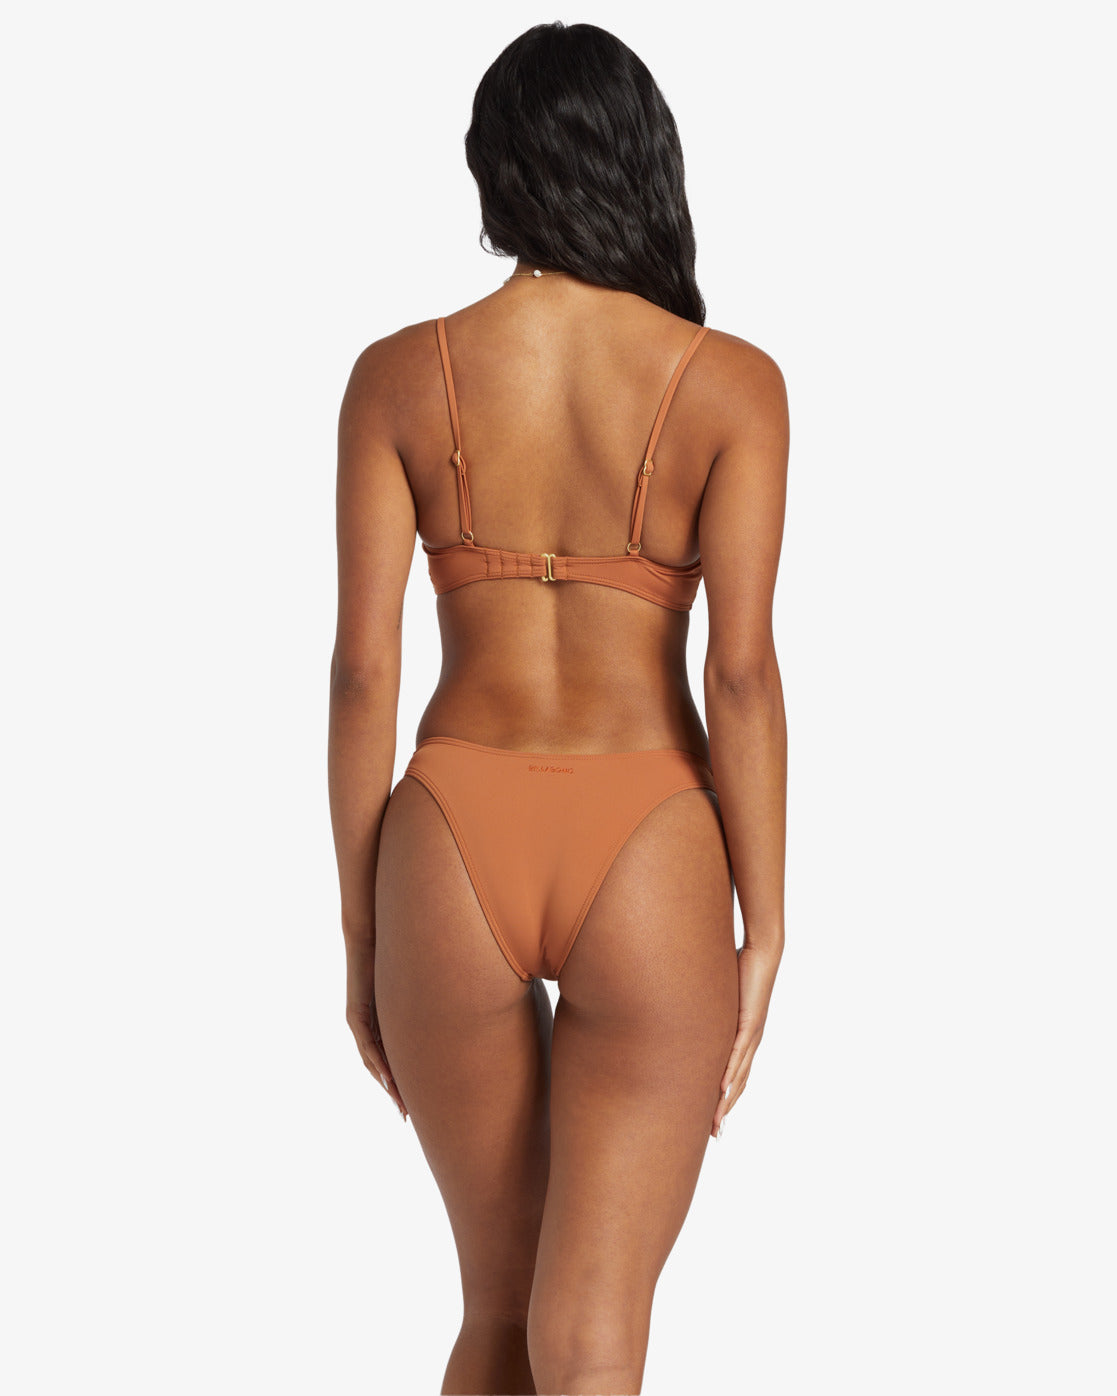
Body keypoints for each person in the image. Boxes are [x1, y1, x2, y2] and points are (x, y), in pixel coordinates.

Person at [327, 20, 788, 1396]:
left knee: (497, 1309)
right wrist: (765, 925)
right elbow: (741, 674)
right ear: (646, 163)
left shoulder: (397, 375)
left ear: (493, 173)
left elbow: (361, 672)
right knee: (588, 1338)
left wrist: (361, 930)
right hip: (646, 828)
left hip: (448, 832)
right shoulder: (730, 385)